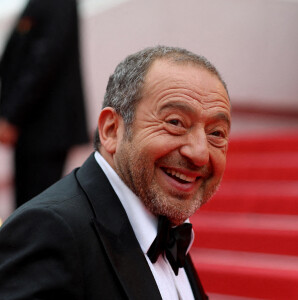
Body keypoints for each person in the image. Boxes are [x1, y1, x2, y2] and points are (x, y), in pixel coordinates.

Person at [0, 46, 231, 299]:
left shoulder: (168, 231)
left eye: (216, 133)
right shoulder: (49, 230)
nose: (199, 153)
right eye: (175, 122)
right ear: (111, 130)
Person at [0, 0, 89, 207]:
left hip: (45, 127)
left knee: (34, 210)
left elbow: (42, 62)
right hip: (35, 128)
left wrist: (12, 116)